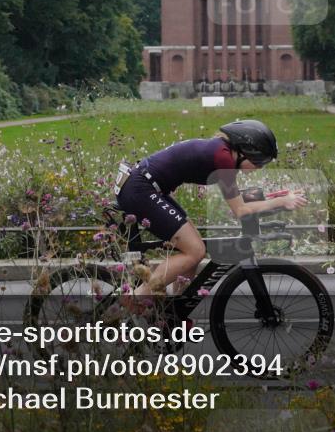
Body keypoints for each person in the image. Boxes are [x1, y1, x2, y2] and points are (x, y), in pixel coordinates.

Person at [114, 119, 306, 298]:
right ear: (244, 152)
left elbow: (236, 198)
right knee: (195, 251)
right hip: (140, 190)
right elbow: (240, 210)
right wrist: (281, 202)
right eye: (259, 162)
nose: (259, 168)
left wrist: (276, 198)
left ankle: (173, 309)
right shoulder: (223, 159)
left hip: (144, 187)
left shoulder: (221, 153)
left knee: (195, 249)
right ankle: (136, 299)